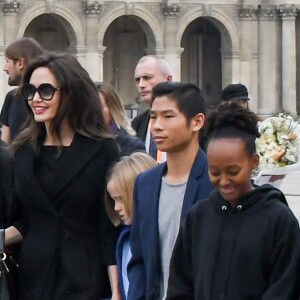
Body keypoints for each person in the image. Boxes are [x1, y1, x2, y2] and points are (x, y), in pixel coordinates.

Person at [5, 52, 121, 300]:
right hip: (31, 277)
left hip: (83, 277)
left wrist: (116, 291)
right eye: (30, 91)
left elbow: (107, 226)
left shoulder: (103, 149)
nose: (36, 99)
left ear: (70, 94)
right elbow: (24, 218)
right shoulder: (22, 150)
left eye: (46, 90)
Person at [166, 102, 300, 299]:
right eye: (214, 172)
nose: (224, 181)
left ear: (253, 162)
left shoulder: (279, 221)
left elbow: (285, 289)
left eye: (233, 171)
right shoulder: (198, 217)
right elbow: (180, 285)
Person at [128, 82, 214, 300]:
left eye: (168, 116)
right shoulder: (145, 184)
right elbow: (139, 261)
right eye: (154, 117)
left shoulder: (216, 182)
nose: (156, 125)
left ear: (197, 122)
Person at [105, 152, 157, 299]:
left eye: (121, 199)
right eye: (114, 200)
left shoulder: (153, 236)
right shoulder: (125, 235)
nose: (116, 207)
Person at [1, 37, 44, 143]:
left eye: (7, 61)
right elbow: (3, 144)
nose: (4, 68)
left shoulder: (46, 100)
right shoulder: (11, 97)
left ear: (20, 63)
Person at [131, 55, 173, 162]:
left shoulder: (186, 118)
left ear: (168, 80)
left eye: (147, 78)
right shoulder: (137, 124)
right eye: (137, 80)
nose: (141, 85)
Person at [95, 82, 145, 156]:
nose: (91, 112)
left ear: (113, 109)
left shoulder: (131, 146)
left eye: (98, 106)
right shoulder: (79, 144)